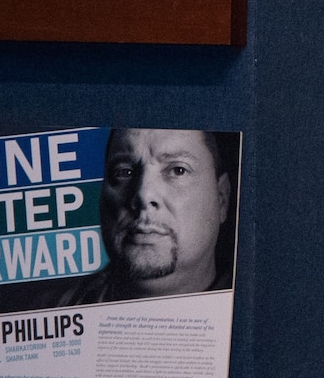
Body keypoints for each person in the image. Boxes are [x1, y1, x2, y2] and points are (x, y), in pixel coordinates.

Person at [47, 128, 239, 305]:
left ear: (222, 198)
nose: (143, 194)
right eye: (124, 172)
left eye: (177, 170)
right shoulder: (48, 309)